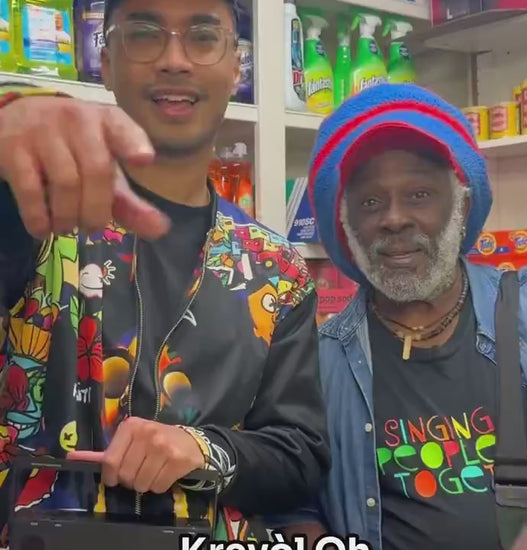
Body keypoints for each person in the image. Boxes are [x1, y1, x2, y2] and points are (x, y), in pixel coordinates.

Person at [0, 0, 330, 543]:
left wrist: (203, 449)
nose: (174, 59)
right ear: (106, 61)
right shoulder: (32, 213)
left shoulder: (277, 270)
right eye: (145, 32)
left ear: (236, 67)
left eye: (202, 35)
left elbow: (299, 455)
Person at [274, 83, 527, 550]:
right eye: (370, 202)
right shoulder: (320, 363)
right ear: (345, 226)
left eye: (420, 194)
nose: (395, 219)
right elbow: (294, 506)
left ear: (462, 207)